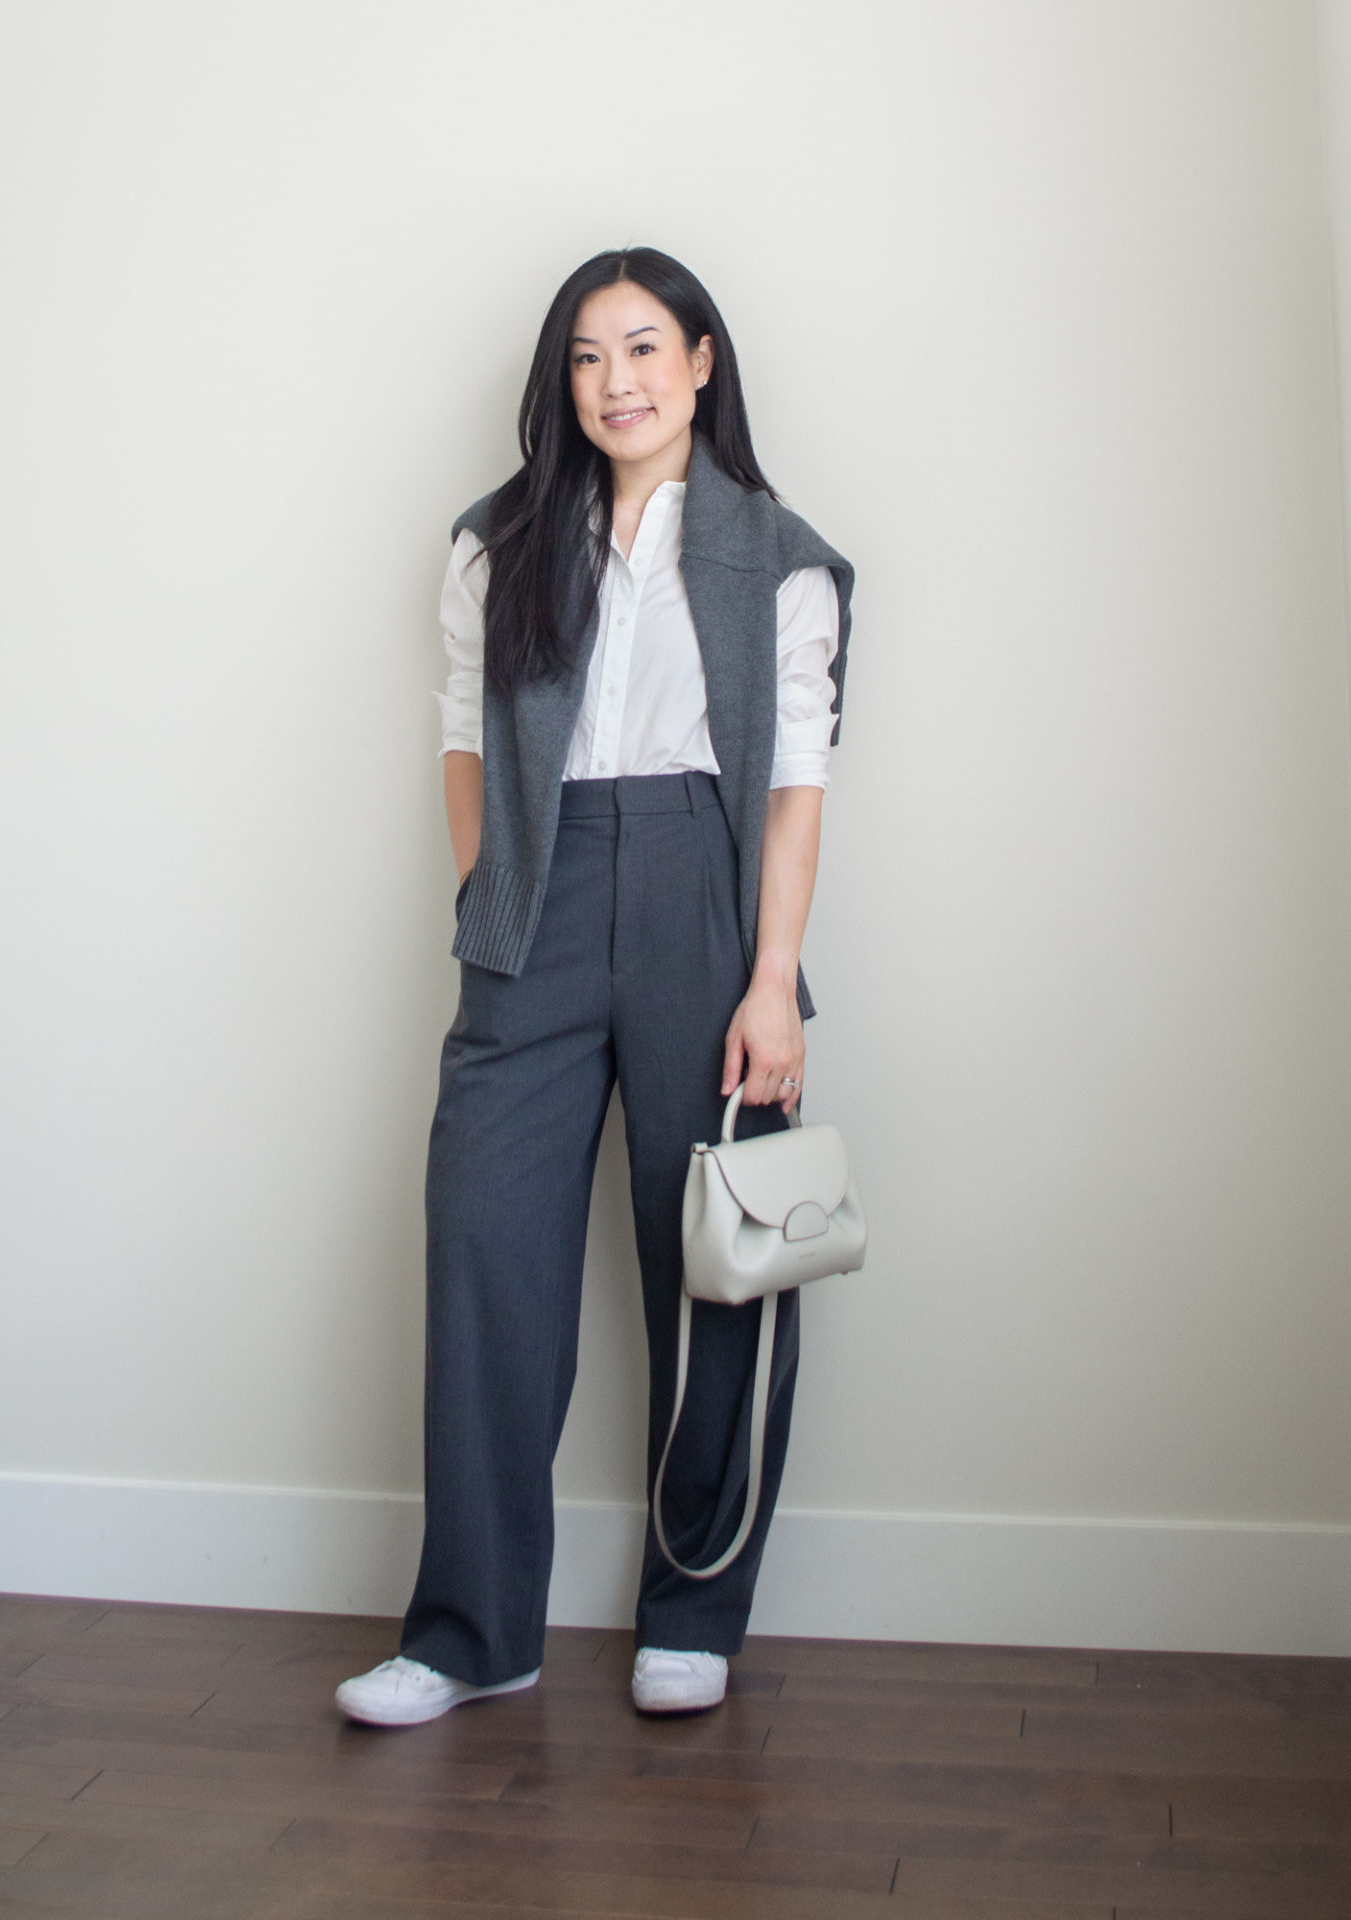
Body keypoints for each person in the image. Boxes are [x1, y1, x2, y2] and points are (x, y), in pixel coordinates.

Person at [336, 246, 854, 1726]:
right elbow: (460, 735)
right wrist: (487, 890)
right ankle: (468, 1634)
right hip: (536, 898)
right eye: (586, 356)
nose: (614, 382)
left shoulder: (778, 556)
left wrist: (772, 983)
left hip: (704, 886)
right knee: (486, 1252)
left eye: (642, 349)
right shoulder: (501, 543)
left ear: (701, 362)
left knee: (715, 1262)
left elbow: (795, 785)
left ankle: (695, 1611)